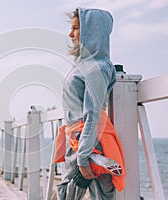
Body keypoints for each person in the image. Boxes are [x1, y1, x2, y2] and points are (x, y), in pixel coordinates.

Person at [55, 8, 126, 200]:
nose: (70, 34)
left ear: (92, 32)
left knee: (99, 195)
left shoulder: (98, 67)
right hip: (77, 140)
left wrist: (84, 156)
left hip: (89, 143)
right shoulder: (82, 64)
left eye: (76, 28)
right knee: (65, 192)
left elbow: (93, 112)